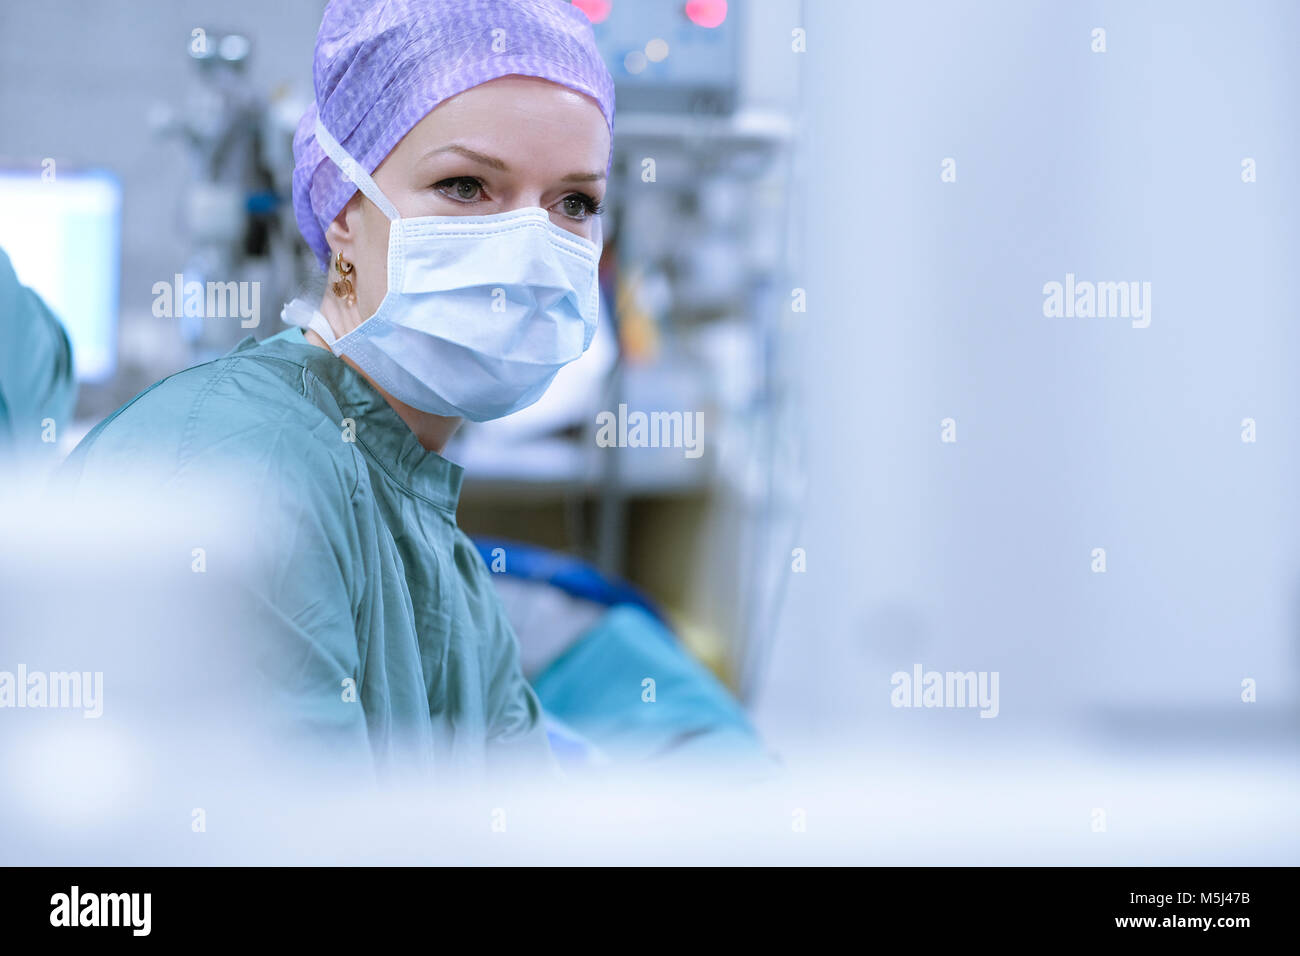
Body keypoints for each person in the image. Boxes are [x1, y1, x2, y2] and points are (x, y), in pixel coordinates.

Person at [58, 0, 615, 783]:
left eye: (574, 203)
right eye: (465, 186)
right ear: (344, 205)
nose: (531, 246)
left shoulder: (442, 562)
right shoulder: (243, 473)